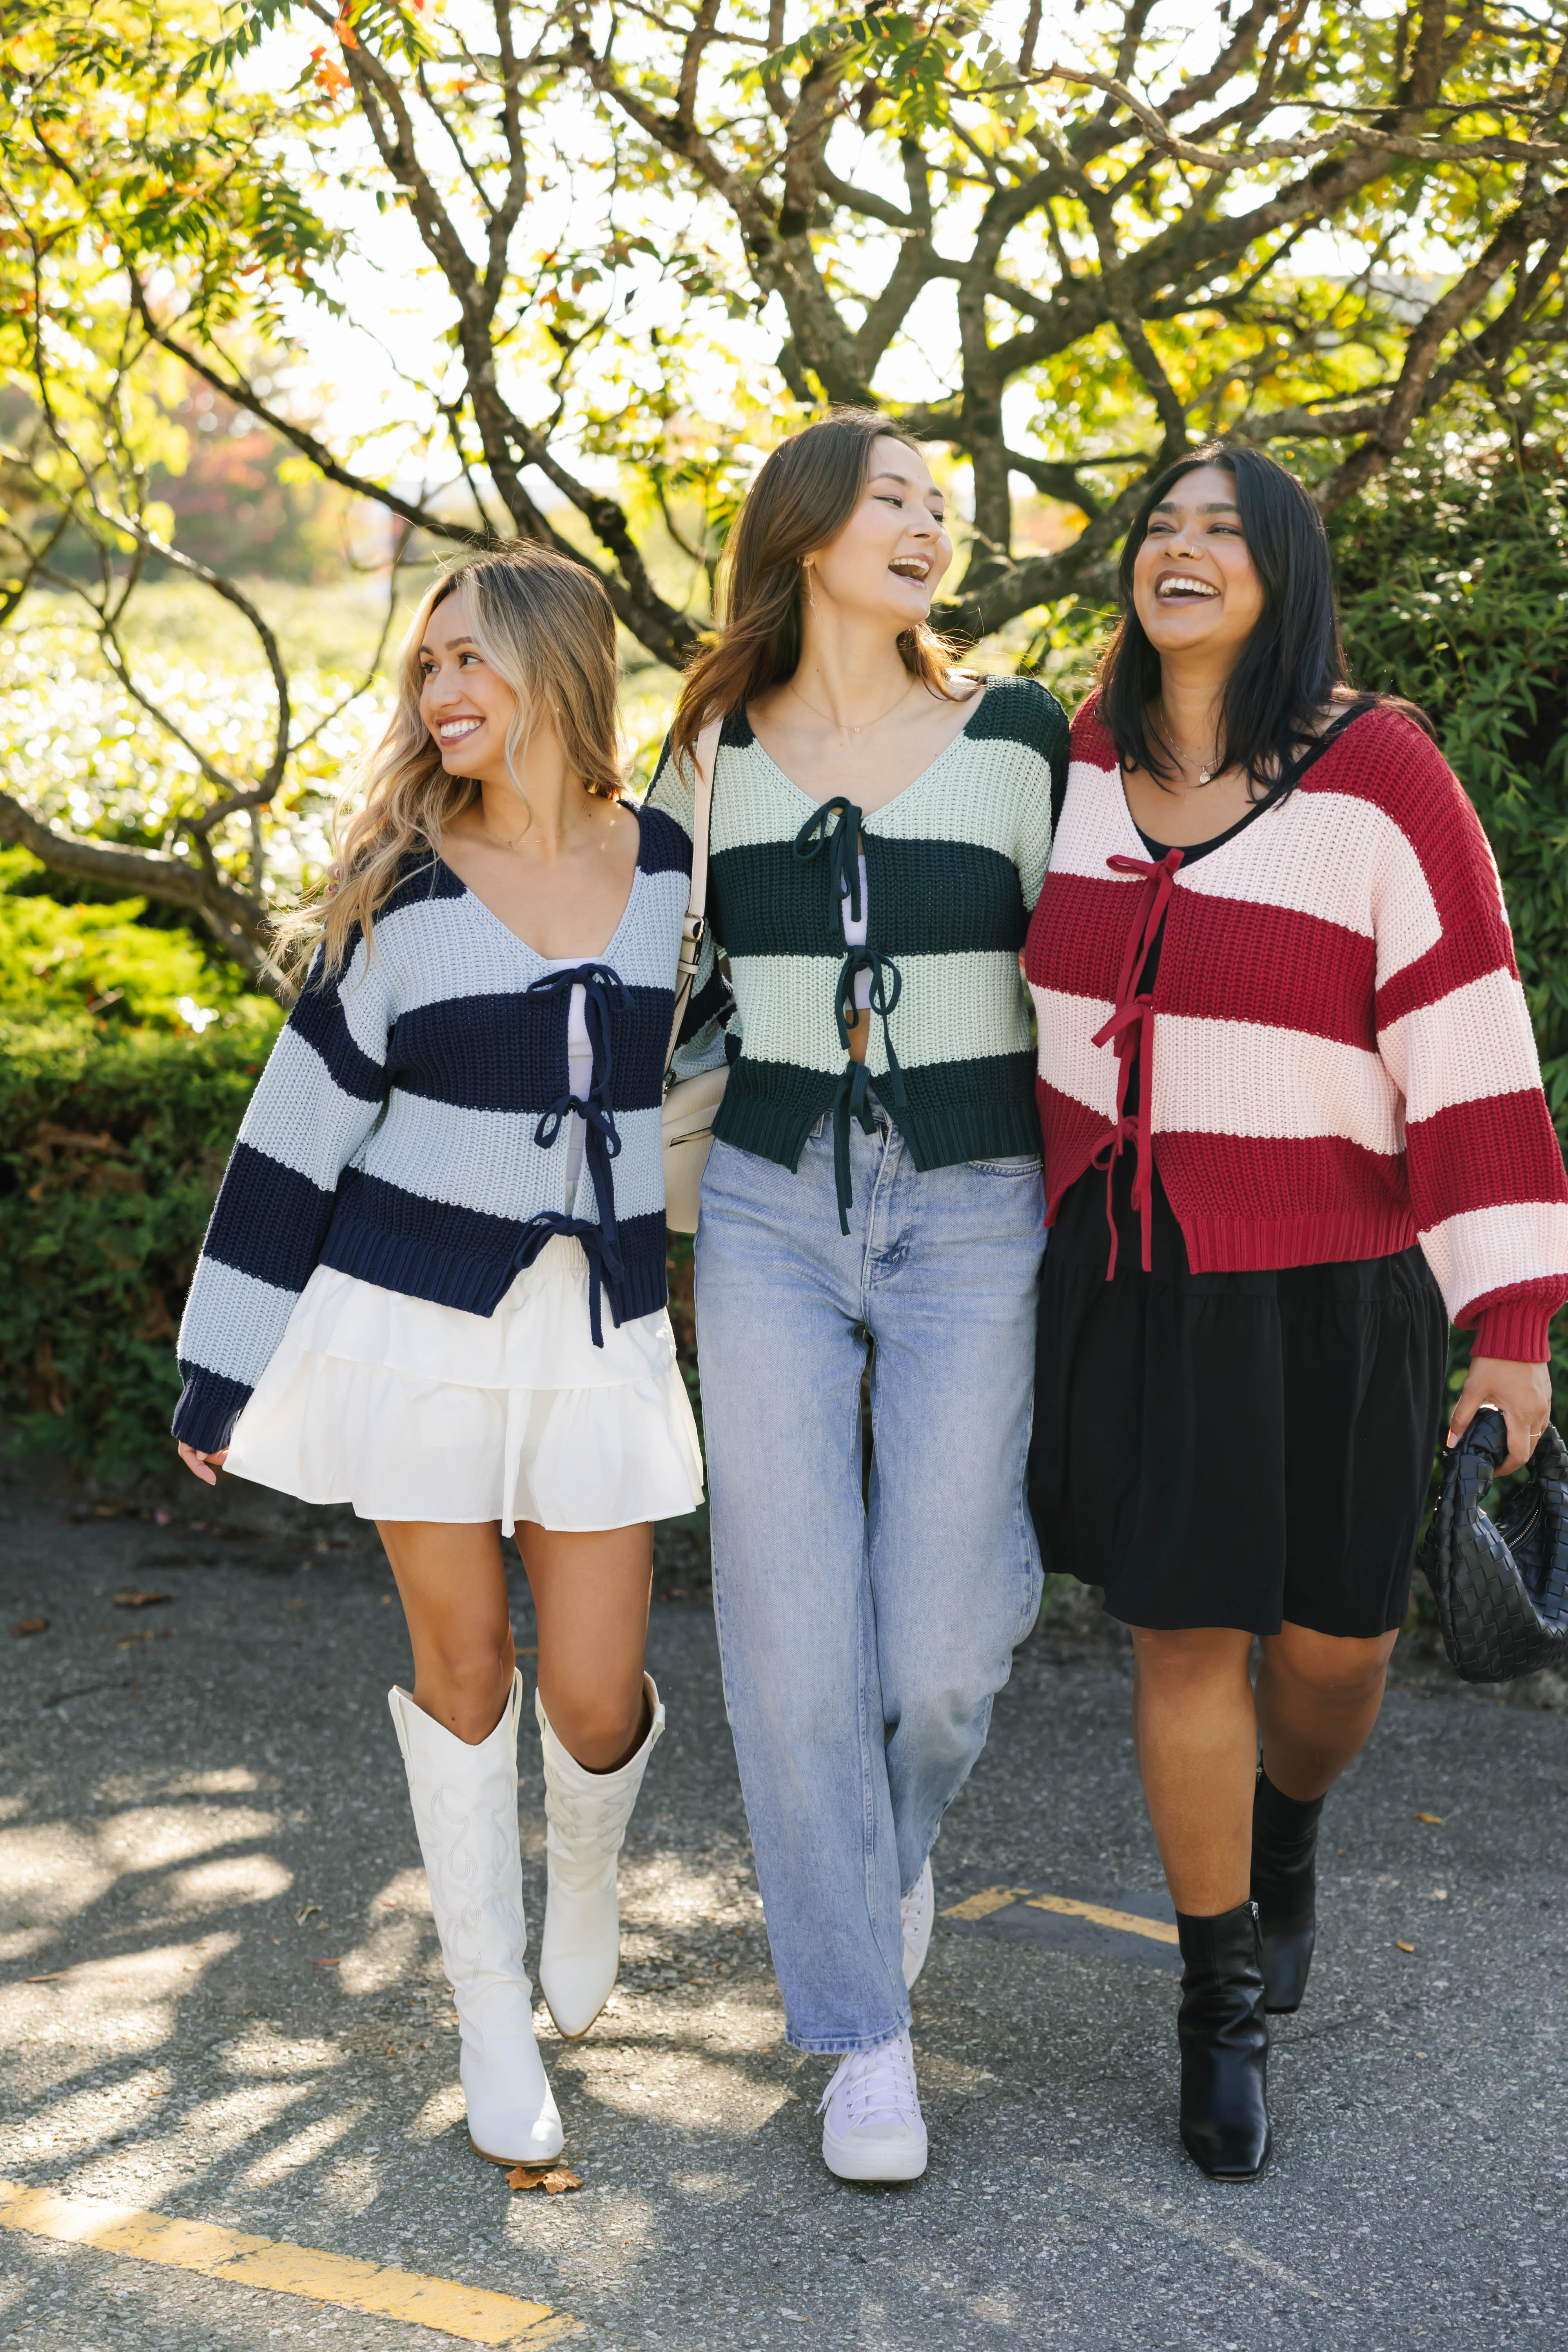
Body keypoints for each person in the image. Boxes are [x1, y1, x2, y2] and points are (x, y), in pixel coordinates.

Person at [1024, 443, 1568, 2181]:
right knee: (1183, 1633)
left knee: (1334, 1659)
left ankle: (1292, 1832)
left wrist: (1514, 1326)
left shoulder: (1380, 776)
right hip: (1143, 1275)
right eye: (1157, 528)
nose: (1180, 552)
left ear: (1282, 575)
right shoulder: (1076, 763)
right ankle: (1217, 2007)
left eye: (1222, 533)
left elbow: (1473, 1051)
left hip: (1339, 1288)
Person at [172, 545, 712, 2171]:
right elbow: (292, 1144)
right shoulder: (397, 893)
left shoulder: (672, 864)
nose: (444, 693)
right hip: (414, 1323)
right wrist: (225, 1364)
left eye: (471, 660)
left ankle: (593, 1873)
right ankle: (488, 2010)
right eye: (426, 670)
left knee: (599, 1690)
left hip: (601, 1327)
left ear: (558, 667)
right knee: (465, 1671)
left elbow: (711, 1056)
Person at [648, 408, 1067, 2182]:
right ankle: (862, 2038)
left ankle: (882, 1853)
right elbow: (638, 974)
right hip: (763, 1208)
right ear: (809, 531)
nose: (924, 523)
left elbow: (1122, 972)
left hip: (978, 1208)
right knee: (790, 1631)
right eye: (890, 498)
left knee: (942, 1648)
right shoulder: (712, 752)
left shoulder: (1024, 737)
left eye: (938, 506)